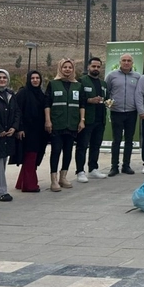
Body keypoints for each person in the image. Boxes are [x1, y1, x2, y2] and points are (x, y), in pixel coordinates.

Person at [44, 58, 86, 192]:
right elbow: (47, 104)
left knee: (68, 151)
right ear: (60, 68)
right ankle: (54, 180)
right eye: (65, 67)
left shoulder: (78, 85)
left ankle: (63, 177)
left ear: (73, 69)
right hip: (57, 123)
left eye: (70, 67)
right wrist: (48, 120)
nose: (67, 69)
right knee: (56, 151)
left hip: (72, 124)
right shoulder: (53, 84)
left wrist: (82, 120)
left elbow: (82, 104)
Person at [105, 53, 140, 176]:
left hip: (132, 112)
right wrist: (108, 103)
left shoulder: (137, 76)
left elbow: (140, 93)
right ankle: (114, 166)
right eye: (124, 60)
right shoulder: (111, 76)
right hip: (116, 112)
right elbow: (106, 91)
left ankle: (126, 165)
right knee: (117, 140)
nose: (126, 63)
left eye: (129, 61)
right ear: (120, 62)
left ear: (132, 63)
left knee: (129, 140)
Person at [76, 57, 108, 183]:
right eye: (93, 66)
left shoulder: (103, 83)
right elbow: (78, 99)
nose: (96, 69)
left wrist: (109, 102)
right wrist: (89, 100)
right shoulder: (81, 81)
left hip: (100, 119)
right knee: (82, 146)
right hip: (87, 120)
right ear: (88, 67)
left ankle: (93, 168)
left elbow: (107, 98)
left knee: (96, 145)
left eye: (98, 67)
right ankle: (80, 171)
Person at [14, 70, 47, 193]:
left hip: (39, 131)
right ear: (29, 79)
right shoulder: (23, 93)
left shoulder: (40, 94)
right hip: (27, 131)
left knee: (34, 156)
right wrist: (19, 128)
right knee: (30, 156)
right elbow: (17, 111)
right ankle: (29, 185)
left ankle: (21, 182)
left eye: (37, 78)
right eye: (32, 78)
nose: (35, 80)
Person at [0, 69, 19, 202]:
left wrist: (14, 127)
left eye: (4, 77)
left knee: (2, 163)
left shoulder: (10, 94)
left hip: (8, 134)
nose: (2, 80)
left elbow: (17, 112)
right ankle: (0, 192)